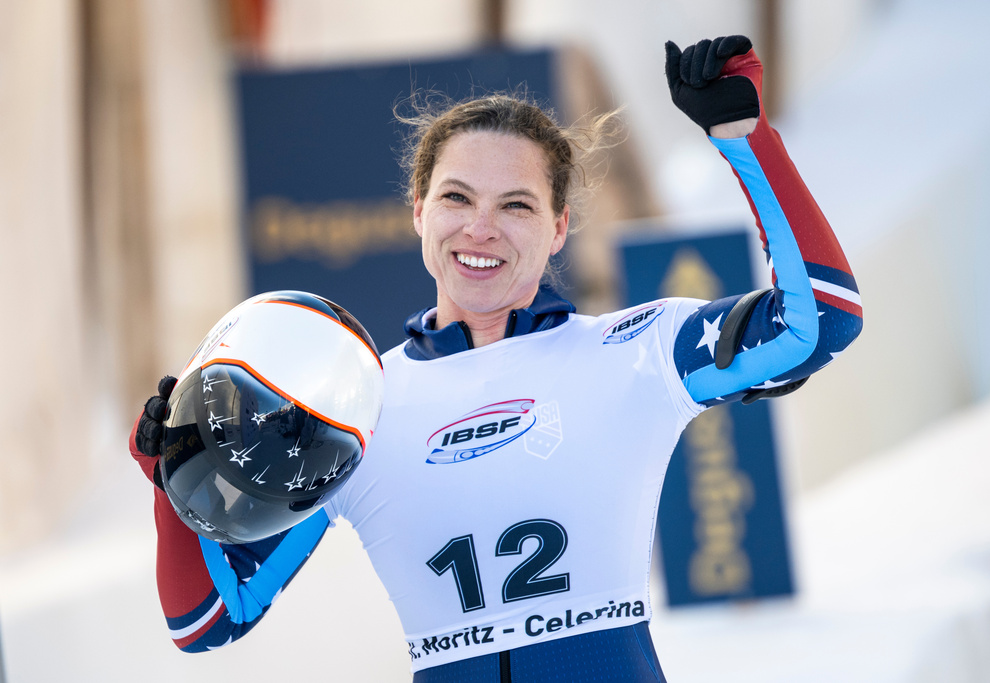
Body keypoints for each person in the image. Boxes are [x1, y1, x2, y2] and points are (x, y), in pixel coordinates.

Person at [131, 35, 863, 681]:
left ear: (558, 228)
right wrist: (172, 475)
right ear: (418, 209)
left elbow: (820, 321)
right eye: (457, 197)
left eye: (516, 205)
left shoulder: (635, 352)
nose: (481, 229)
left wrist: (745, 137)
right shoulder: (358, 406)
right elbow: (206, 621)